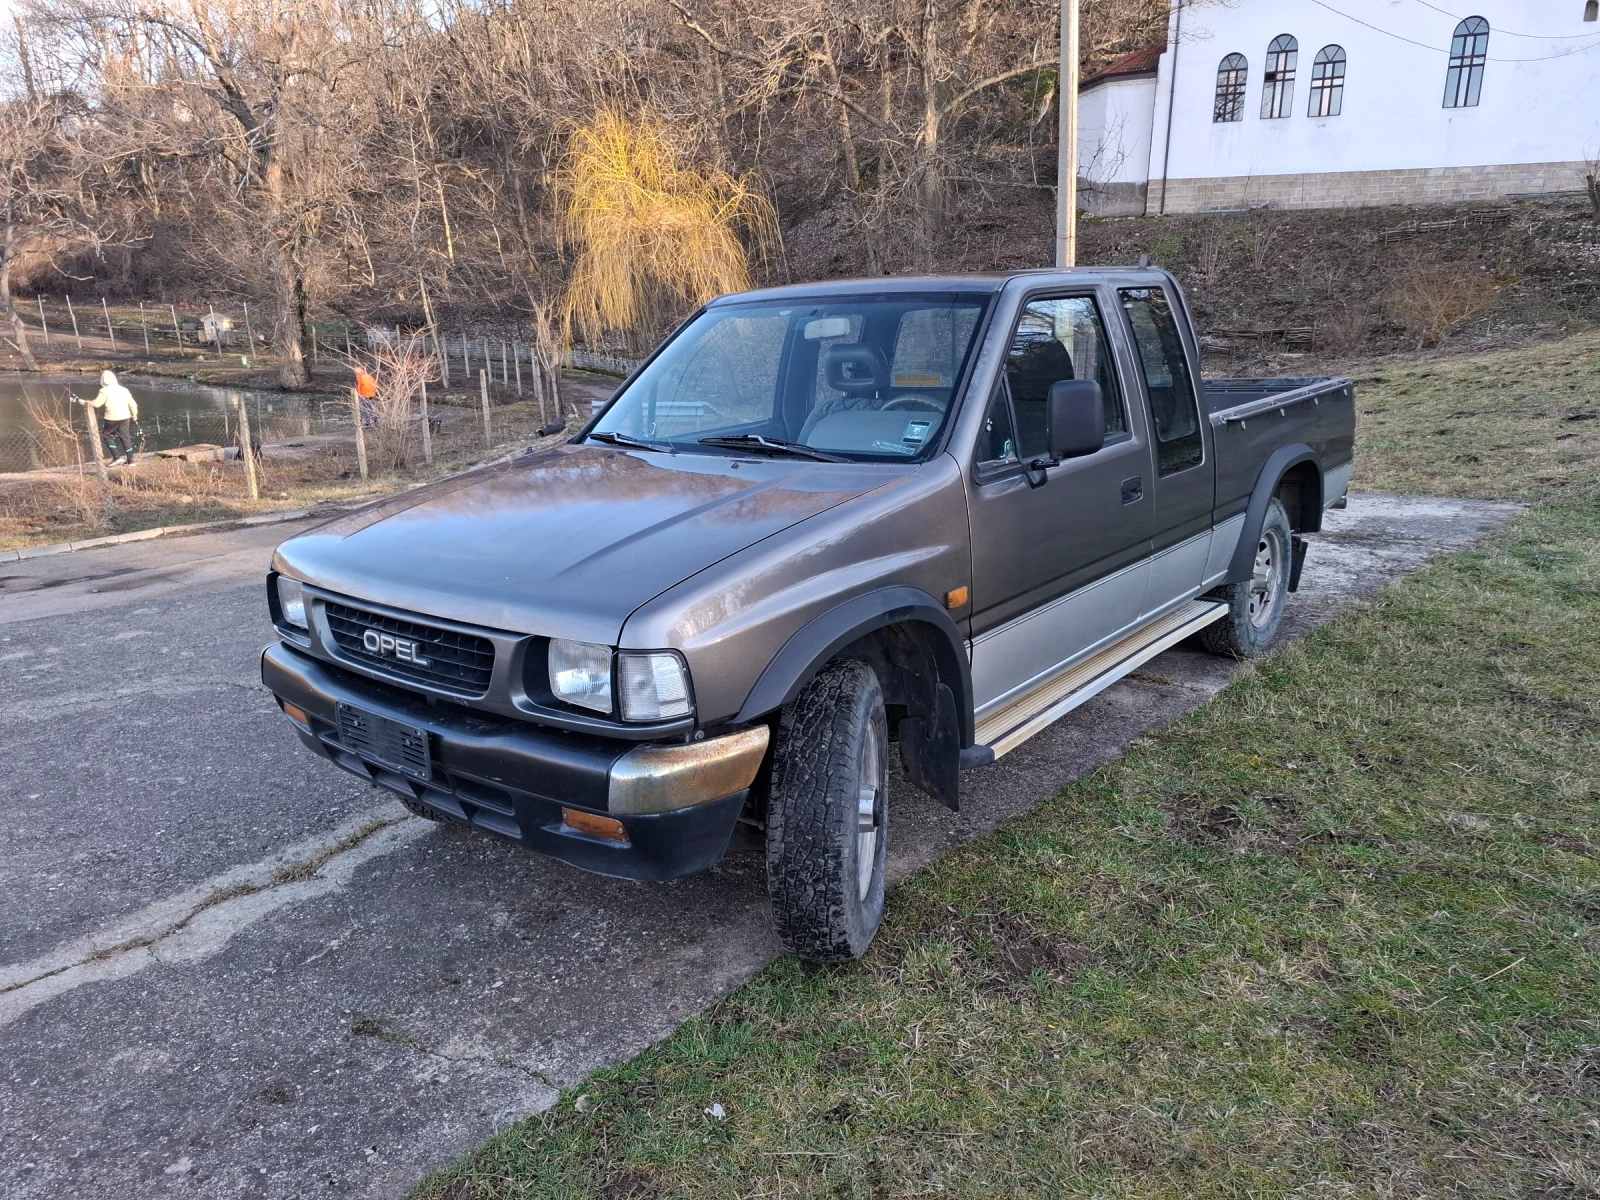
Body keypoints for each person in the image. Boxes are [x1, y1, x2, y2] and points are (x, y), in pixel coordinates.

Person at [87, 370, 140, 466]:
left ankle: (116, 457)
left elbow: (97, 404)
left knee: (107, 435)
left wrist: (86, 402)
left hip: (112, 417)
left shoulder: (104, 391)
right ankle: (130, 460)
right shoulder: (124, 390)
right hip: (125, 417)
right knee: (125, 437)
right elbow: (133, 404)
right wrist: (135, 415)